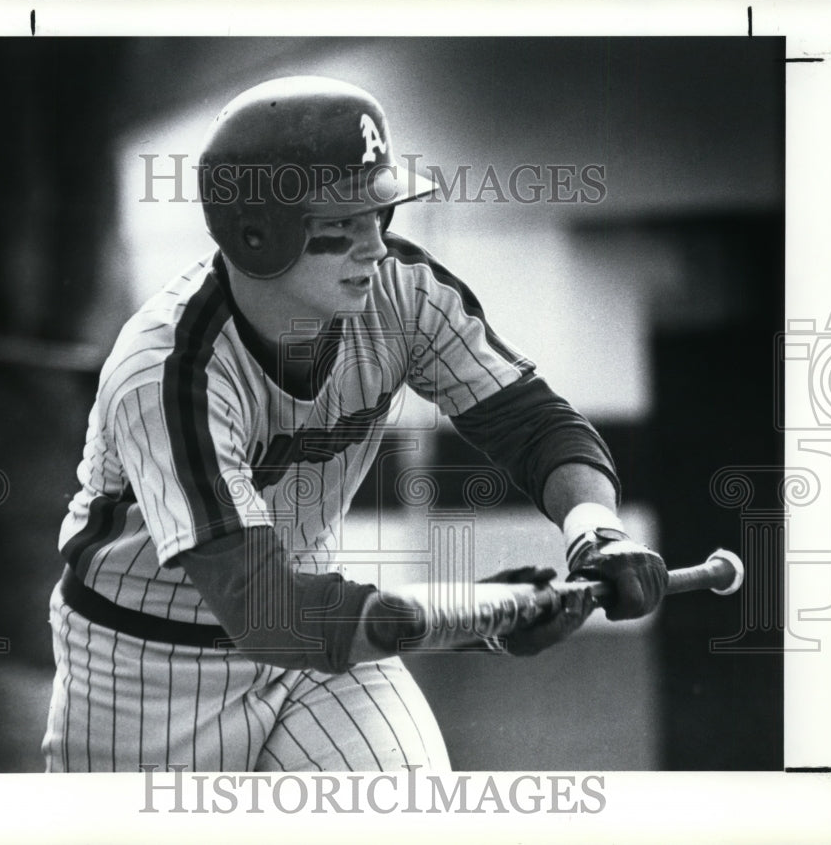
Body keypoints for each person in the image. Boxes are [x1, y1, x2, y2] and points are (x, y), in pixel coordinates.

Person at [42, 76, 667, 773]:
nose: (373, 247)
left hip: (322, 629)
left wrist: (595, 529)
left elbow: (535, 423)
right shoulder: (166, 366)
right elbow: (263, 611)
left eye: (379, 214)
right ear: (259, 233)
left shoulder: (402, 290)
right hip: (146, 660)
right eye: (342, 223)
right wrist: (486, 613)